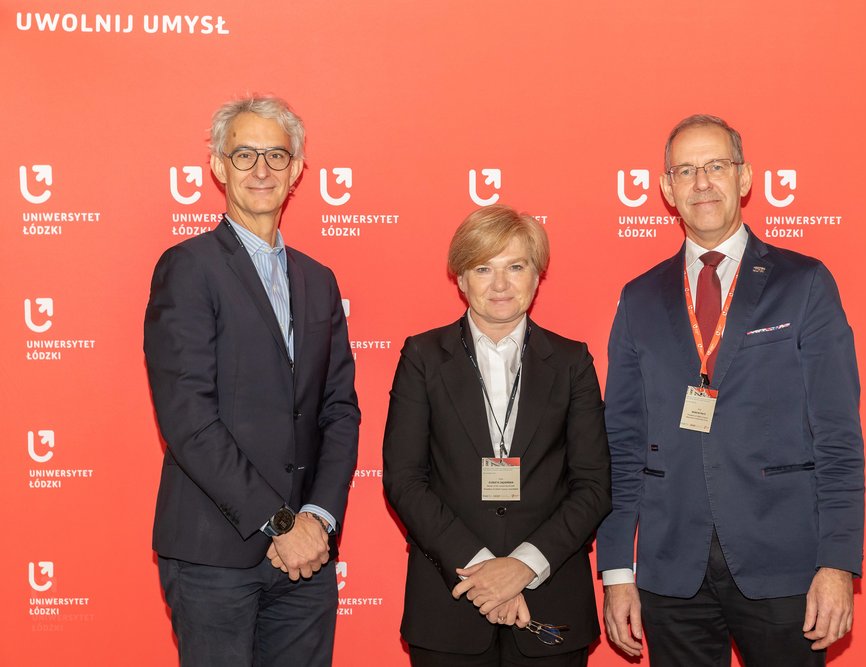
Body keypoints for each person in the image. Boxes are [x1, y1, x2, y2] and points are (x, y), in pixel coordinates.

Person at [596, 114, 864, 666]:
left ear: (744, 178)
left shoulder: (804, 282)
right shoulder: (639, 299)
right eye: (686, 171)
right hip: (672, 569)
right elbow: (621, 445)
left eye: (716, 166)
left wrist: (837, 564)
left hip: (785, 565)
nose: (702, 183)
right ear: (667, 189)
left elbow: (837, 437)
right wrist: (618, 570)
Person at [144, 95, 360, 666]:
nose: (261, 169)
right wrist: (280, 522)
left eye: (275, 155)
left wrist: (316, 519)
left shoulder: (319, 279)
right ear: (217, 166)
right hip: (215, 555)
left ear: (296, 171)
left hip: (305, 559)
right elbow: (189, 418)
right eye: (244, 155)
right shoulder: (188, 268)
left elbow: (339, 411)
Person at [383, 204, 611, 666]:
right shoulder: (423, 357)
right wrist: (485, 570)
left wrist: (523, 566)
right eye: (483, 267)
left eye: (516, 266)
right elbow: (405, 480)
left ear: (537, 276)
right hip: (450, 603)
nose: (500, 284)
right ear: (461, 279)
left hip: (551, 603)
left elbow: (593, 485)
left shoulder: (572, 362)